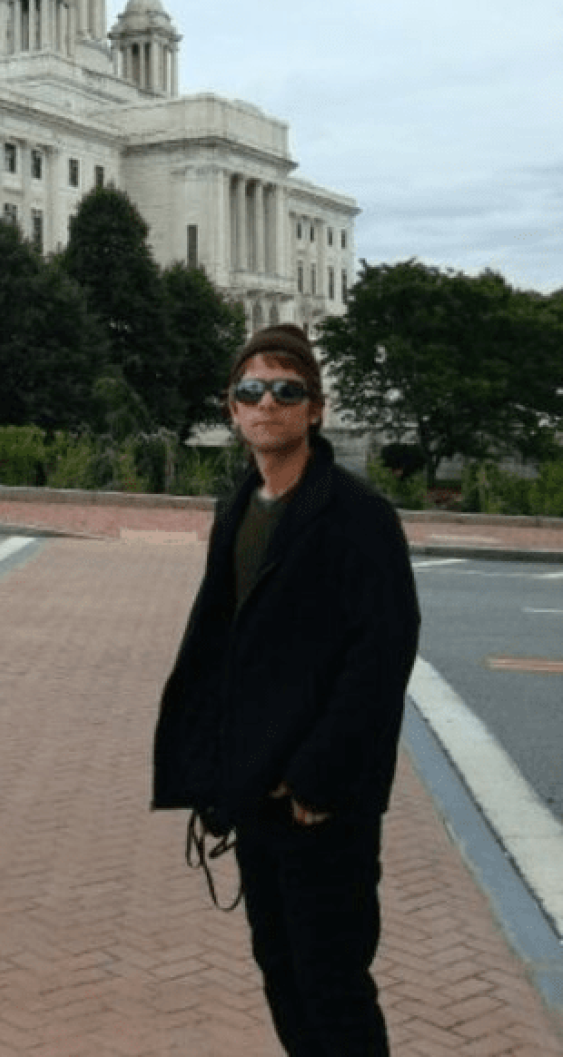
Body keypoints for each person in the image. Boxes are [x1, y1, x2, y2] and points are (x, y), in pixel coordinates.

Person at [152, 323, 420, 1056]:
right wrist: (214, 770)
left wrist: (315, 778)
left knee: (332, 982)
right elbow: (224, 647)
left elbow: (382, 655)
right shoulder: (239, 506)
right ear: (231, 408)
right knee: (281, 972)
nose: (267, 403)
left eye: (286, 390)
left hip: (321, 802)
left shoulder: (360, 516)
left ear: (315, 408)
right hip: (256, 791)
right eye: (251, 389)